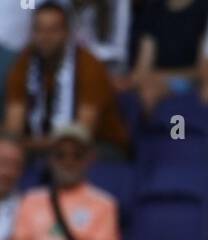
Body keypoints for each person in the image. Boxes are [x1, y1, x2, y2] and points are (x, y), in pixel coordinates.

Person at [4, 1, 128, 156]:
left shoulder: (90, 65)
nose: (45, 37)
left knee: (69, 154)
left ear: (67, 32)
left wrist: (26, 144)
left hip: (97, 147)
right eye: (39, 30)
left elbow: (81, 134)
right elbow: (13, 127)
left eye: (53, 30)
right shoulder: (24, 63)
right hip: (40, 147)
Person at [130, 0, 208, 112]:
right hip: (153, 79)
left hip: (189, 82)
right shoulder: (152, 9)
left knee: (149, 93)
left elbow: (203, 71)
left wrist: (162, 78)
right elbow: (142, 68)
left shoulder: (206, 9)